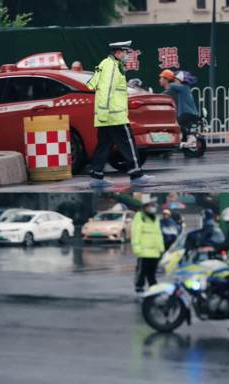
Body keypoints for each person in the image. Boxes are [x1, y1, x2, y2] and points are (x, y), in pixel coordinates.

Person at [87, 40, 154, 188]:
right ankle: (137, 174)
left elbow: (91, 83)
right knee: (128, 144)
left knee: (104, 145)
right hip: (114, 115)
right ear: (118, 53)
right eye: (126, 52)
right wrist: (105, 112)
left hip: (106, 116)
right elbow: (105, 89)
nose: (128, 56)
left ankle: (96, 176)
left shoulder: (105, 63)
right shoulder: (112, 67)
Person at [132, 196, 165, 294]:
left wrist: (161, 248)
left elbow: (158, 234)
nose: (152, 207)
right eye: (150, 206)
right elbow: (136, 233)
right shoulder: (140, 216)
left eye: (153, 206)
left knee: (152, 273)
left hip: (155, 252)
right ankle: (139, 287)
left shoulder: (156, 218)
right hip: (144, 252)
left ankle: (153, 288)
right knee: (142, 272)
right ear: (145, 206)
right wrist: (137, 248)